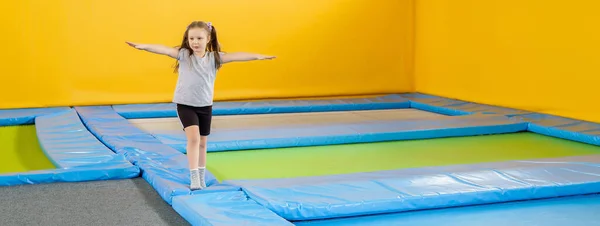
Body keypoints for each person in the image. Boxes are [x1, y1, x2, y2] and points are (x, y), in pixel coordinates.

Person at [126, 21, 275, 190]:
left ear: (208, 39)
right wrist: (144, 46)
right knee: (194, 138)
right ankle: (194, 177)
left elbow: (236, 56)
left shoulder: (215, 58)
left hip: (205, 105)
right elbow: (165, 50)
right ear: (187, 40)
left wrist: (257, 56)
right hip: (185, 104)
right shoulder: (183, 55)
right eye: (191, 38)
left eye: (199, 38)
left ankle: (202, 176)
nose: (195, 42)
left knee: (203, 142)